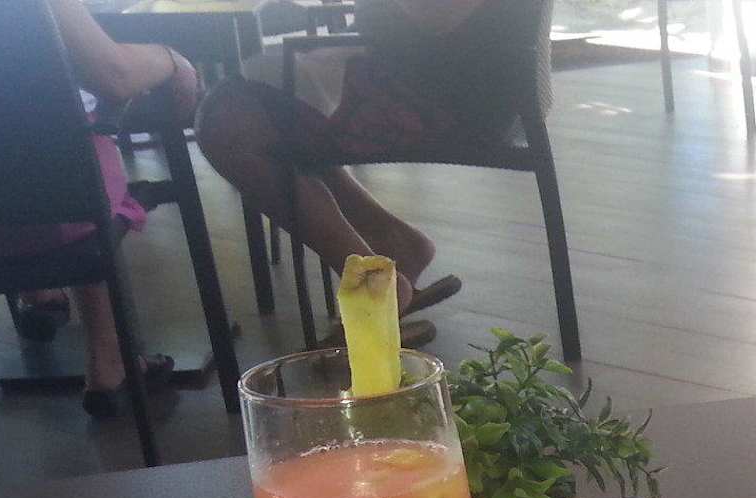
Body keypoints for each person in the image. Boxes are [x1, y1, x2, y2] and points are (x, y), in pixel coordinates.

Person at [195, 0, 543, 332]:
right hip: (422, 73)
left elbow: (437, 16)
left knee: (228, 123)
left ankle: (376, 286)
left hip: (444, 94)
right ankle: (390, 243)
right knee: (247, 113)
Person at [0, 0, 200, 415]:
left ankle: (40, 294)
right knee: (76, 164)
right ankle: (107, 357)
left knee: (29, 159)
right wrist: (171, 58)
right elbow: (115, 76)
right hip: (55, 210)